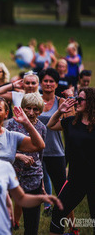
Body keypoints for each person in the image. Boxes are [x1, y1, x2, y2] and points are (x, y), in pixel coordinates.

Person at [48, 88, 95, 235]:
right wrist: (60, 111)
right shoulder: (71, 122)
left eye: (80, 99)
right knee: (58, 213)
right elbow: (51, 125)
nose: (76, 101)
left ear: (91, 103)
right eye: (76, 97)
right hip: (75, 179)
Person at [6, 93, 47, 233]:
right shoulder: (12, 124)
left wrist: (41, 183)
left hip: (33, 176)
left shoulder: (41, 128)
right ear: (22, 108)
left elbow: (40, 156)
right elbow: (4, 148)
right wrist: (18, 155)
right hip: (12, 174)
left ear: (40, 111)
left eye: (35, 109)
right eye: (28, 108)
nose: (31, 112)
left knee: (31, 223)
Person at [37, 68, 75, 218]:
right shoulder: (35, 100)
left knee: (63, 192)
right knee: (31, 190)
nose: (48, 84)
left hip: (56, 152)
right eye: (45, 81)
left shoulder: (61, 102)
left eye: (51, 81)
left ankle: (73, 227)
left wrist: (68, 103)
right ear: (41, 83)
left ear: (56, 84)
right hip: (36, 151)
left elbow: (72, 122)